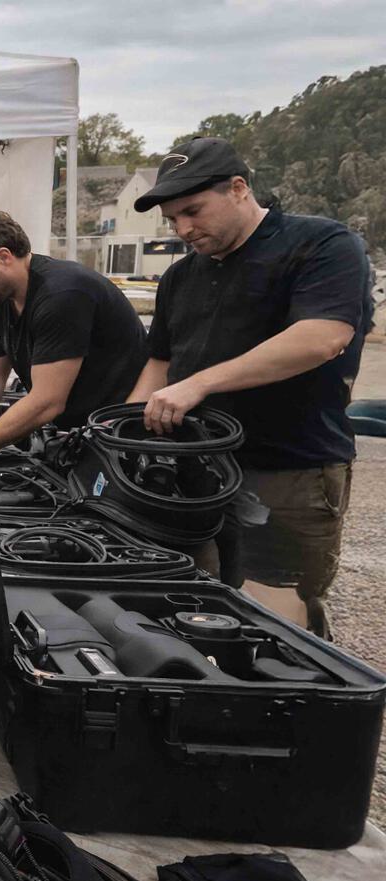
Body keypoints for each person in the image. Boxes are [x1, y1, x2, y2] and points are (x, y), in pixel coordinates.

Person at [126, 137, 373, 639]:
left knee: (280, 623)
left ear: (239, 188)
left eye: (193, 211)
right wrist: (123, 433)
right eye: (172, 220)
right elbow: (161, 361)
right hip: (197, 470)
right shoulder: (179, 277)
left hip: (287, 470)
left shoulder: (321, 244)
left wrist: (198, 384)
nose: (183, 230)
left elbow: (322, 337)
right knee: (200, 609)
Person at [0, 210, 149, 456]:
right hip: (82, 433)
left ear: (4, 257)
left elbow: (47, 402)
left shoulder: (63, 294)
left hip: (125, 437)